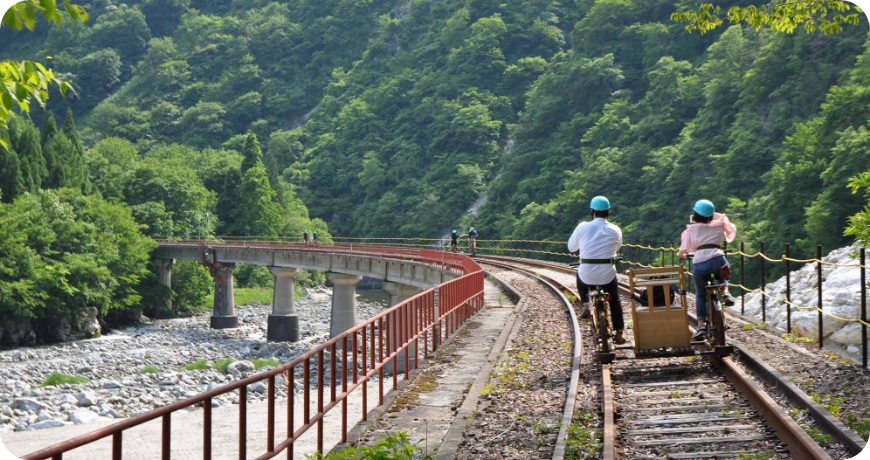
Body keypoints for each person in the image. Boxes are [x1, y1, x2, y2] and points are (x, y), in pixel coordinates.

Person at [567, 196, 627, 344]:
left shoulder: (582, 227)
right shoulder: (616, 229)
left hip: (587, 274)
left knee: (580, 276)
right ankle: (619, 332)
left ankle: (585, 303)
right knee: (615, 299)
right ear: (609, 212)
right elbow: (616, 248)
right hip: (607, 275)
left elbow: (571, 247)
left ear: (592, 211)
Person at [677, 199, 737, 339]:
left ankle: (701, 326)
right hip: (718, 259)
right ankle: (725, 291)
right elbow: (725, 221)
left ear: (695, 215)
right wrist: (713, 214)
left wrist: (682, 255)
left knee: (700, 295)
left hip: (700, 264)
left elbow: (683, 250)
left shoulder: (692, 229)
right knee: (723, 271)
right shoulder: (719, 224)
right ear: (711, 215)